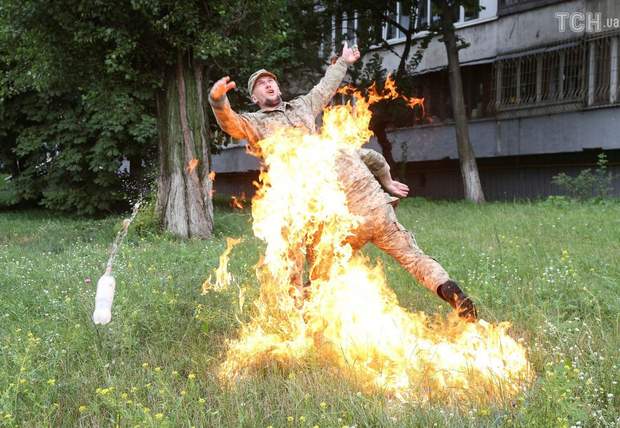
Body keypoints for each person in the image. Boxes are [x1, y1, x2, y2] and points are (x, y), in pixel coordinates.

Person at [208, 43, 477, 321]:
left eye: (270, 81)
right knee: (305, 253)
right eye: (261, 85)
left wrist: (343, 62)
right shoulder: (255, 122)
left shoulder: (303, 109)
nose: (268, 85)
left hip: (335, 208)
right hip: (307, 202)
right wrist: (218, 101)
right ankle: (305, 308)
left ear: (278, 88)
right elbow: (231, 123)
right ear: (254, 98)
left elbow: (325, 88)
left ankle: (305, 312)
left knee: (322, 261)